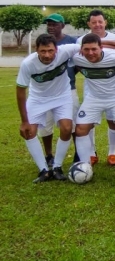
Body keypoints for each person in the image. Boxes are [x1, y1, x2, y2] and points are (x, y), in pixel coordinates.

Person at [16, 34, 81, 182]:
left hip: (62, 96)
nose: (47, 55)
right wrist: (24, 121)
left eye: (50, 51)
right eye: (43, 51)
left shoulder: (66, 50)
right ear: (36, 50)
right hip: (38, 99)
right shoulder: (28, 64)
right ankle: (44, 170)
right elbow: (20, 92)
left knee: (66, 127)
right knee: (29, 131)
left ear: (56, 49)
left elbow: (92, 43)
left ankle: (57, 167)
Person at [71, 33, 115, 178]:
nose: (90, 53)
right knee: (81, 129)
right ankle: (84, 164)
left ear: (101, 48)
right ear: (81, 49)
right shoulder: (77, 58)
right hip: (94, 98)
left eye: (94, 49)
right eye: (86, 49)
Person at [77, 10, 115, 165]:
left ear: (105, 23)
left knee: (113, 121)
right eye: (94, 22)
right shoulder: (81, 40)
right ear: (89, 24)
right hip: (92, 86)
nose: (97, 25)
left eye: (100, 22)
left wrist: (114, 43)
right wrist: (113, 45)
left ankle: (112, 153)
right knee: (88, 122)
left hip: (112, 87)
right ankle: (91, 153)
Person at [42, 13, 78, 165]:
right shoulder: (43, 41)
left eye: (54, 24)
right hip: (46, 92)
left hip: (68, 90)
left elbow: (77, 63)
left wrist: (69, 74)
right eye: (49, 24)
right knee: (45, 126)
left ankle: (79, 153)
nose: (51, 27)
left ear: (62, 26)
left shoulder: (71, 42)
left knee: (73, 124)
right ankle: (49, 155)